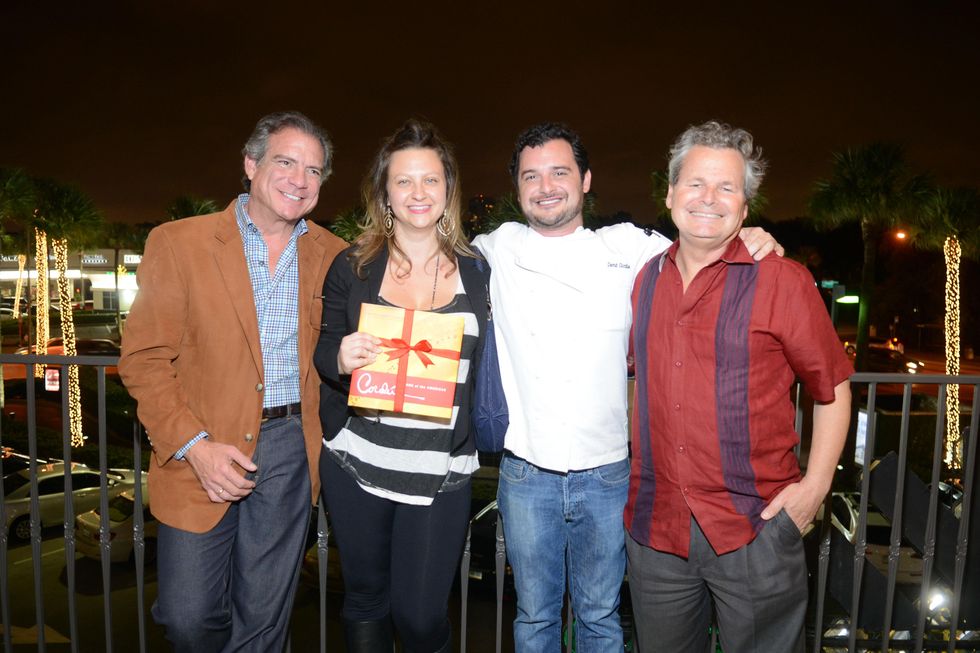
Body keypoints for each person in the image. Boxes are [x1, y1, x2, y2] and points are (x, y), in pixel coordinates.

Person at [471, 122, 782, 652]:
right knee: (534, 618)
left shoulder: (629, 247)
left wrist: (752, 236)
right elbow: (423, 254)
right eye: (531, 176)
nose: (546, 187)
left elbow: (703, 245)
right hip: (525, 474)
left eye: (560, 172)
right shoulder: (497, 246)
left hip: (609, 475)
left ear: (586, 180)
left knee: (601, 617)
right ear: (517, 187)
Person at [119, 111, 348, 652]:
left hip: (292, 448)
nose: (299, 180)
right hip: (202, 444)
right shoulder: (179, 243)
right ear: (250, 164)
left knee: (264, 622)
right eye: (286, 162)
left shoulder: (335, 255)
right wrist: (194, 446)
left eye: (313, 170)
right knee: (188, 617)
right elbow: (144, 358)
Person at [624, 120, 853, 652]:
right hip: (656, 531)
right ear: (670, 194)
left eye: (726, 187)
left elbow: (833, 389)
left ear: (744, 207)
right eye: (695, 183)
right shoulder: (645, 279)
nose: (708, 198)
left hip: (757, 528)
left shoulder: (782, 280)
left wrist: (814, 491)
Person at [314, 119, 491, 653]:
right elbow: (324, 349)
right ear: (385, 193)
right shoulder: (353, 266)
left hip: (442, 470)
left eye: (431, 180)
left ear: (448, 189)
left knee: (420, 618)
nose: (418, 192)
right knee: (366, 600)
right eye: (404, 180)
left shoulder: (479, 270)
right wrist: (340, 357)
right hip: (357, 464)